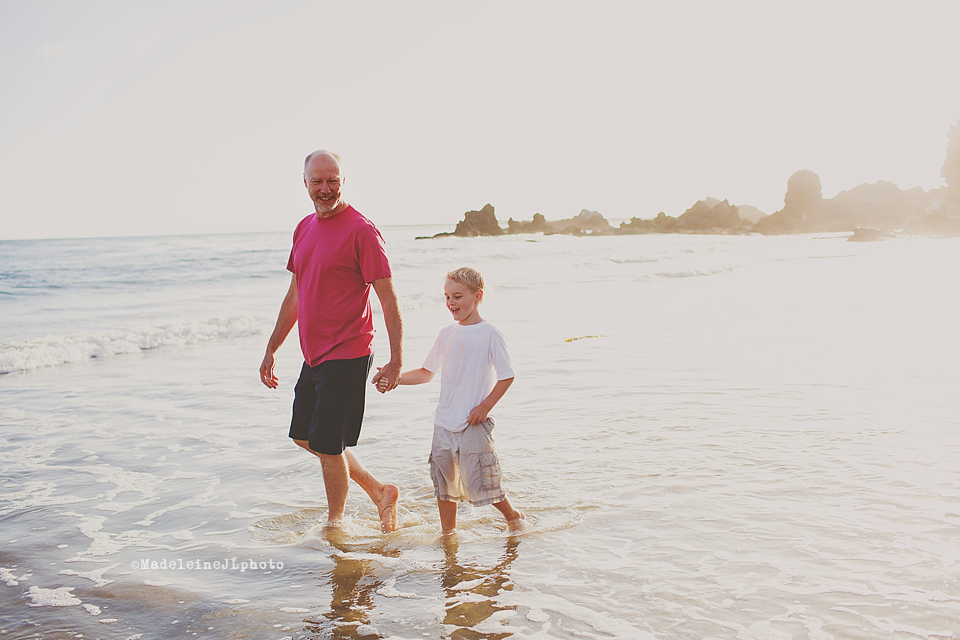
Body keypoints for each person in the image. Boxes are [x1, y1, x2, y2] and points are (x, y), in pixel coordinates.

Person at [259, 149, 402, 532]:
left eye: (332, 180)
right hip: (315, 355)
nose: (326, 188)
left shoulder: (360, 229)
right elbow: (295, 294)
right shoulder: (303, 228)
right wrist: (272, 347)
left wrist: (396, 358)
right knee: (306, 436)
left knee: (327, 445)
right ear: (304, 183)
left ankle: (334, 525)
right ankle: (378, 491)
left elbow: (387, 297)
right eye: (318, 181)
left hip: (349, 350)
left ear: (342, 181)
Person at [384, 267, 525, 534]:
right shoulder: (446, 333)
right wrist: (395, 378)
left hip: (473, 423)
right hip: (444, 423)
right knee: (444, 483)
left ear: (477, 296)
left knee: (482, 482)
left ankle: (513, 516)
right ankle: (448, 532)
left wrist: (484, 407)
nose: (451, 303)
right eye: (447, 297)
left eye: (457, 296)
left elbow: (507, 376)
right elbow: (426, 373)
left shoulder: (490, 334)